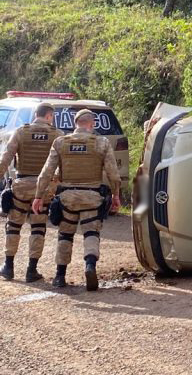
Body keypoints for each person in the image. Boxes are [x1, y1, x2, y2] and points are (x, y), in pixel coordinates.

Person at [32, 108, 121, 290]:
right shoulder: (101, 143)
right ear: (92, 124)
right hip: (92, 197)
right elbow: (113, 173)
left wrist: (38, 196)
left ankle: (60, 276)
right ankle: (89, 266)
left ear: (75, 124)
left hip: (67, 198)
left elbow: (46, 173)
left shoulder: (60, 142)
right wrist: (116, 194)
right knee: (91, 233)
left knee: (65, 234)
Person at [0, 103, 62, 282]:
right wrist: (57, 184)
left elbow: (5, 158)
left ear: (36, 114)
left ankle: (8, 266)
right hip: (43, 189)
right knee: (38, 228)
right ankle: (32, 270)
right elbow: (64, 165)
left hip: (21, 186)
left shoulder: (21, 132)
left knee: (13, 225)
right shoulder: (57, 136)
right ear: (50, 116)